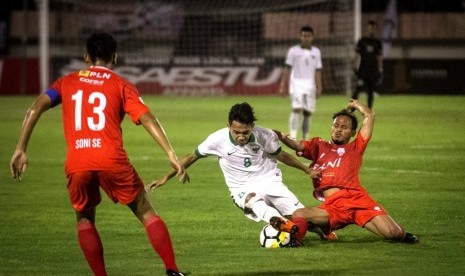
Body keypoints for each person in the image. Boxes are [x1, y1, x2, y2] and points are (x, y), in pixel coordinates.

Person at [9, 33, 189, 276]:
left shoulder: (66, 82)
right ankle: (172, 270)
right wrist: (170, 152)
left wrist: (21, 148)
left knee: (84, 219)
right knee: (146, 212)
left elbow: (35, 108)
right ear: (115, 57)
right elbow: (147, 118)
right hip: (111, 159)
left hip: (78, 161)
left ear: (86, 57)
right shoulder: (122, 85)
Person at [147, 102, 318, 246]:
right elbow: (192, 156)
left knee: (303, 217)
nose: (241, 137)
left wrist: (306, 170)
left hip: (269, 181)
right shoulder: (217, 139)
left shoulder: (264, 135)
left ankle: (321, 229)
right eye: (236, 132)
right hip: (240, 187)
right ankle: (278, 220)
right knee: (252, 199)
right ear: (228, 125)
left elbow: (282, 155)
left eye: (245, 132)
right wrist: (166, 177)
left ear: (252, 127)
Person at [275, 99, 418, 243]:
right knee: (299, 214)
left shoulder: (356, 147)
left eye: (344, 127)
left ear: (353, 133)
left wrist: (356, 104)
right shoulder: (319, 146)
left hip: (358, 200)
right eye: (336, 125)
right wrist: (278, 136)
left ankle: (402, 234)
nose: (338, 129)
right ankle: (295, 240)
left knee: (394, 233)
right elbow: (298, 145)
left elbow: (369, 115)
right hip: (333, 206)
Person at [279, 25, 323, 140]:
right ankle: (293, 136)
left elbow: (318, 70)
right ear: (300, 37)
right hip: (296, 83)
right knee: (296, 108)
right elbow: (287, 68)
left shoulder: (316, 52)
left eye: (308, 36)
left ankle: (305, 138)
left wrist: (319, 86)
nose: (306, 38)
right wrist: (283, 85)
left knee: (308, 112)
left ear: (312, 37)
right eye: (304, 36)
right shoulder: (293, 51)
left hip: (310, 85)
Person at [352, 20, 383, 109]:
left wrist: (380, 70)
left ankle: (368, 111)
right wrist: (354, 66)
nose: (372, 30)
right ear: (367, 29)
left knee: (370, 91)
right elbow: (357, 55)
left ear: (376, 30)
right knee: (358, 89)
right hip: (362, 70)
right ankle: (350, 109)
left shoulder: (378, 42)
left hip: (373, 71)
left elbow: (379, 57)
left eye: (373, 28)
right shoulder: (362, 41)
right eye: (370, 28)